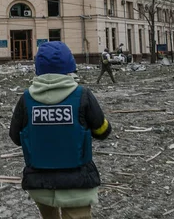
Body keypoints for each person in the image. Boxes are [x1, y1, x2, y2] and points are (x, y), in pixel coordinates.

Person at [9, 41, 111, 219]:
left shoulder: (26, 99)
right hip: (77, 185)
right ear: (70, 66)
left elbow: (16, 137)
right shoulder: (82, 95)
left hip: (40, 184)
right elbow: (103, 131)